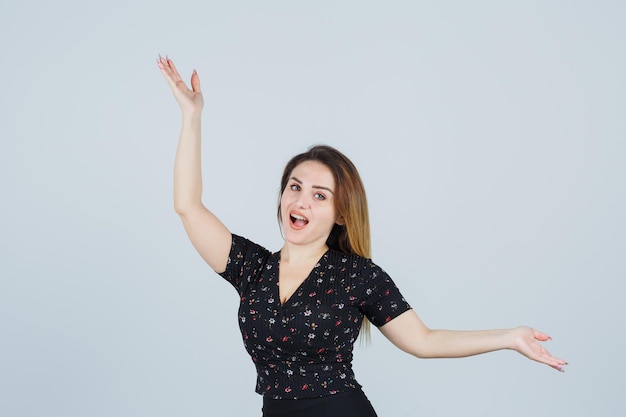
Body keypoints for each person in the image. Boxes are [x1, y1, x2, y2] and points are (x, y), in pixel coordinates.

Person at [157, 56, 566, 417]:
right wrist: (192, 116)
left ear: (340, 214)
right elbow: (188, 206)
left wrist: (510, 337)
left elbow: (423, 340)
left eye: (320, 195)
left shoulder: (357, 276)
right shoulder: (252, 268)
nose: (301, 201)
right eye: (295, 187)